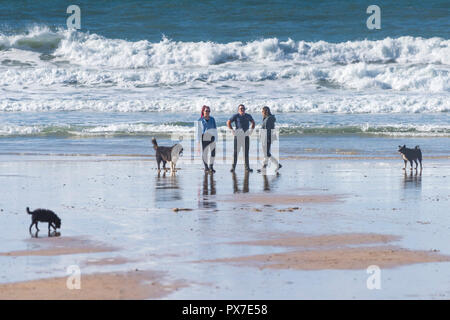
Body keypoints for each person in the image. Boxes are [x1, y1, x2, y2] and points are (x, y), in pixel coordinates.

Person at [227, 104, 255, 172]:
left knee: (246, 152)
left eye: (243, 108)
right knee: (236, 152)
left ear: (245, 109)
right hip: (238, 136)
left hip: (246, 136)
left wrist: (251, 130)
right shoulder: (236, 116)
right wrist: (232, 130)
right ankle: (233, 168)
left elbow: (253, 122)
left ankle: (247, 168)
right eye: (240, 108)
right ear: (238, 109)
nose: (242, 110)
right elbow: (228, 122)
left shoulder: (248, 116)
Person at [258, 106, 282, 173]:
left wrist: (268, 139)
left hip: (267, 138)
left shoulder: (269, 119)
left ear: (266, 111)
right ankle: (264, 168)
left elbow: (268, 130)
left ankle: (277, 165)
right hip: (265, 137)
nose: (262, 113)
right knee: (266, 153)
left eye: (262, 111)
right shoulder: (266, 118)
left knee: (267, 153)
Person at [198, 105, 217, 173]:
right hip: (204, 137)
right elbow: (198, 132)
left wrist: (215, 138)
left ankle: (211, 166)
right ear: (203, 111)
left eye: (209, 111)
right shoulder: (200, 120)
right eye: (206, 111)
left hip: (212, 137)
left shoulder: (212, 119)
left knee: (213, 153)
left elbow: (215, 129)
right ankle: (206, 167)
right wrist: (198, 142)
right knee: (205, 153)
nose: (208, 112)